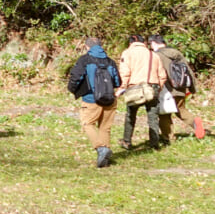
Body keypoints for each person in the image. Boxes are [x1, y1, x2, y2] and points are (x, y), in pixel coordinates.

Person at [67, 36, 121, 167]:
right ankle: (104, 160)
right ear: (101, 46)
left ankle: (100, 148)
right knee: (105, 128)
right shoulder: (110, 61)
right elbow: (118, 82)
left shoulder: (84, 60)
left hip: (91, 99)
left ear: (87, 47)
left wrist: (73, 89)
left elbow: (76, 77)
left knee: (87, 123)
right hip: (110, 98)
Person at [149, 34, 204, 144]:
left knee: (164, 114)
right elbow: (188, 71)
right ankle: (194, 122)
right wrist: (192, 89)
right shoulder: (177, 53)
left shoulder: (156, 55)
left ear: (154, 43)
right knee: (181, 110)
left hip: (165, 89)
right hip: (180, 87)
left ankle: (168, 138)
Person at [118, 34, 168, 150]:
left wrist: (122, 87)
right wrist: (158, 87)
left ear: (130, 43)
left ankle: (127, 141)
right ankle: (154, 144)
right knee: (153, 116)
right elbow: (162, 75)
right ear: (143, 43)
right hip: (152, 87)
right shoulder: (153, 55)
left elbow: (124, 72)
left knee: (131, 115)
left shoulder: (127, 53)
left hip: (135, 87)